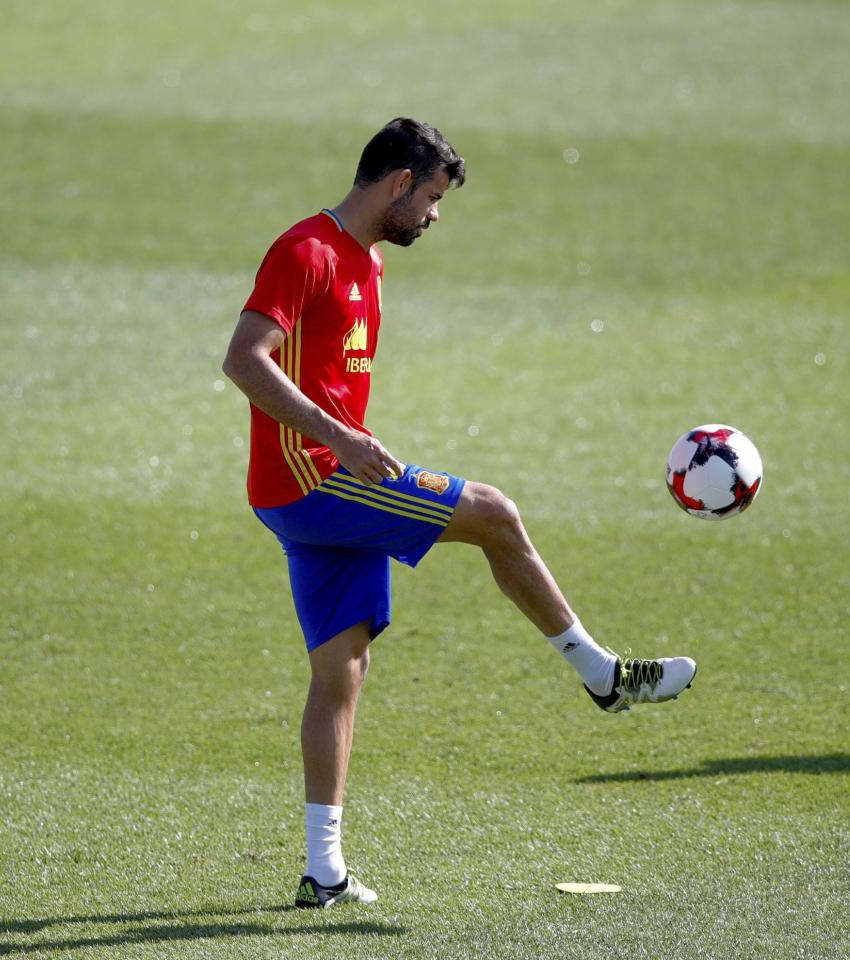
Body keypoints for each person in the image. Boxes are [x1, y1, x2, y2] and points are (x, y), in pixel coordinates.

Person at [221, 118, 696, 910]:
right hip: (314, 480)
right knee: (494, 514)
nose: (435, 215)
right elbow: (244, 358)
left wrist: (347, 437)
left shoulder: (370, 261)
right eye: (433, 198)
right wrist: (340, 437)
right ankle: (602, 675)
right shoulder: (306, 251)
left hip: (320, 483)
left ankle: (323, 871)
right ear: (398, 183)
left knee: (341, 672)